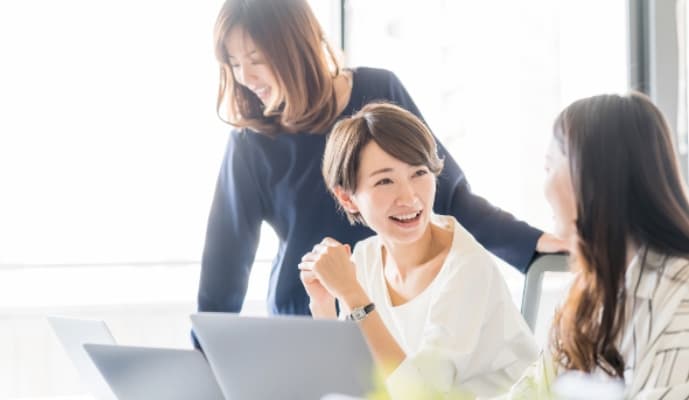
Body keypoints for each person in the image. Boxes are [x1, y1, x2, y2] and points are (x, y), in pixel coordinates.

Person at [199, 0, 561, 320]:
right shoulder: (250, 142)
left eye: (255, 59)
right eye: (233, 64)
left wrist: (531, 242)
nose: (245, 77)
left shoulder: (379, 91)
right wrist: (205, 357)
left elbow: (448, 195)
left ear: (294, 46)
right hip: (305, 317)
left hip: (394, 315)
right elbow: (225, 261)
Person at [298, 102, 538, 398]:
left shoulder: (465, 266)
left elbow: (421, 395)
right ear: (347, 199)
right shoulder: (365, 257)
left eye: (419, 173)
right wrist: (322, 304)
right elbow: (352, 380)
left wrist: (352, 295)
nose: (409, 197)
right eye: (385, 180)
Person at [501, 92, 689, 399]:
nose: (544, 188)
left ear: (590, 178)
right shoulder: (591, 293)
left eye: (549, 168)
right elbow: (531, 392)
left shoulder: (679, 302)